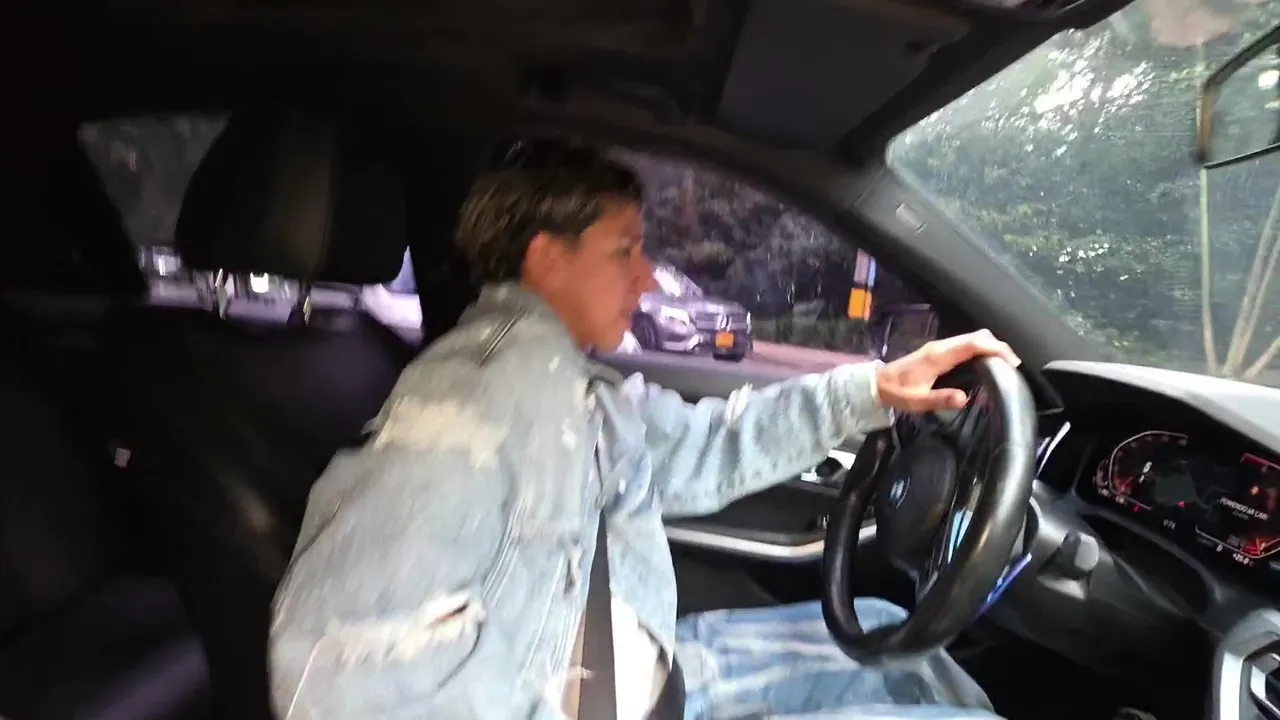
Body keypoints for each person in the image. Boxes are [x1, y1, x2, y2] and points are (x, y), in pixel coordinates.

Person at [268, 140, 1020, 719]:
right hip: (610, 698)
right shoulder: (474, 395)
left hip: (644, 668)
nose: (648, 274)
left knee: (896, 639)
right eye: (624, 250)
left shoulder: (569, 385)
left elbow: (706, 446)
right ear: (545, 256)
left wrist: (871, 390)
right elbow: (335, 673)